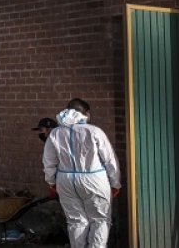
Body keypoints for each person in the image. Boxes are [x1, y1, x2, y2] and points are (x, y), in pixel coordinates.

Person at [42, 98, 121, 248]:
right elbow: (110, 160)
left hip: (65, 180)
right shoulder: (94, 131)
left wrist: (51, 182)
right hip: (94, 179)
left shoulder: (55, 133)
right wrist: (115, 183)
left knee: (75, 221)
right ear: (87, 114)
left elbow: (48, 161)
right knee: (100, 220)